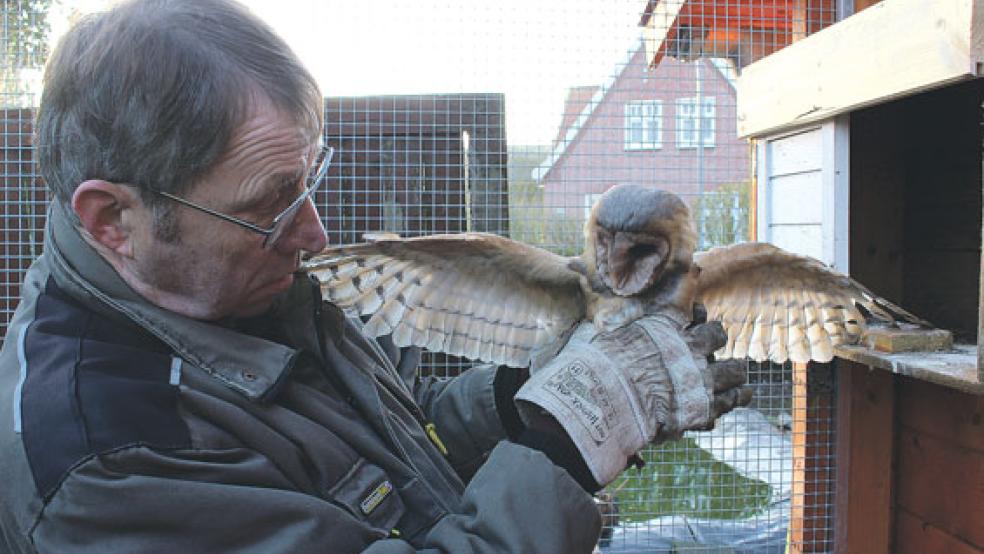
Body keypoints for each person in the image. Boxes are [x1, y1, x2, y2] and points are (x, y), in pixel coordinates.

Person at [0, 1, 750, 552]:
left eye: (308, 181)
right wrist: (571, 434)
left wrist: (524, 397)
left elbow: (403, 441)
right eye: (266, 205)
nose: (314, 233)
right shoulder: (107, 459)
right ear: (113, 219)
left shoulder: (242, 294)